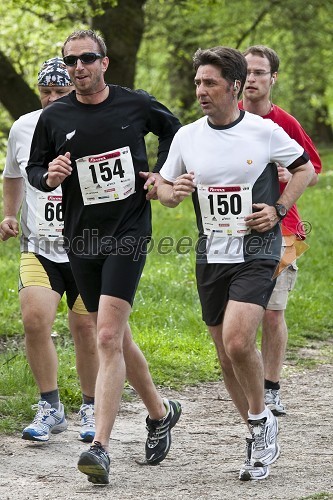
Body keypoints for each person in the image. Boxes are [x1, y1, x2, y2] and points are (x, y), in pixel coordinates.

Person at [26, 29, 182, 485]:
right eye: (71, 61)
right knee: (117, 336)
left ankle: (101, 447)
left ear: (105, 62)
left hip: (129, 231)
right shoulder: (54, 117)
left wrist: (161, 172)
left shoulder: (136, 104)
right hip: (81, 237)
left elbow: (173, 131)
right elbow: (36, 169)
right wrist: (49, 175)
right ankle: (160, 411)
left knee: (107, 335)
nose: (79, 67)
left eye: (87, 59)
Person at [156, 46, 314, 481]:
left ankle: (261, 422)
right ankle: (257, 433)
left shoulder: (263, 132)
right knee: (225, 354)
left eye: (209, 83)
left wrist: (279, 209)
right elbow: (165, 192)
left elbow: (305, 170)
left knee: (239, 340)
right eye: (197, 83)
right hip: (212, 253)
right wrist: (176, 191)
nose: (200, 91)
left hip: (257, 249)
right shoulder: (187, 136)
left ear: (235, 86)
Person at [0, 57, 98, 444]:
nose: (53, 99)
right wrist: (9, 214)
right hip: (38, 245)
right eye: (47, 92)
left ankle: (90, 405)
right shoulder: (23, 128)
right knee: (35, 321)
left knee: (85, 328)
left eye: (61, 92)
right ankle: (50, 406)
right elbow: (12, 176)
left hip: (86, 248)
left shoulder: (92, 123)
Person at [240, 45, 322, 416]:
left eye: (259, 72)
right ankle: (248, 381)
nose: (252, 79)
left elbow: (314, 170)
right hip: (237, 228)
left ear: (273, 78)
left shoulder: (284, 123)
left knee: (273, 313)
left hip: (284, 228)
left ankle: (271, 387)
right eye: (246, 72)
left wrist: (291, 175)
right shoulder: (227, 120)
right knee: (244, 315)